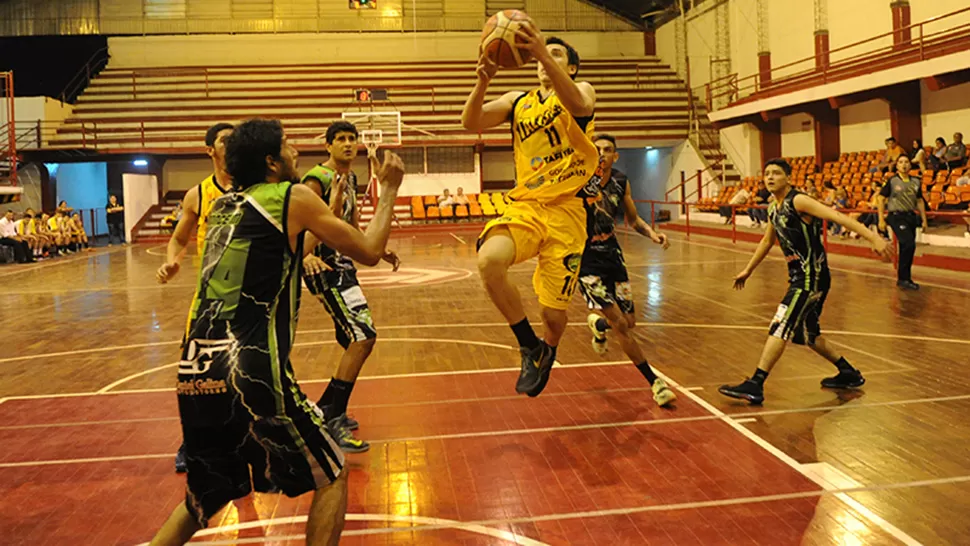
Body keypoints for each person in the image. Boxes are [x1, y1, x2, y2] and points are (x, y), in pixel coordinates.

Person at [149, 118, 406, 546]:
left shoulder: (223, 206)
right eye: (287, 146)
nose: (295, 151)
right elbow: (370, 252)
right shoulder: (291, 197)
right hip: (250, 367)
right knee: (332, 472)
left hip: (195, 365)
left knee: (203, 500)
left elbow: (291, 247)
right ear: (271, 162)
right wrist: (390, 190)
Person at [461, 23, 599, 396]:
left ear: (571, 68)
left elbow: (582, 106)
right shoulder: (517, 101)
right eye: (543, 55)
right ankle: (528, 345)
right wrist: (483, 81)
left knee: (553, 316)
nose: (545, 60)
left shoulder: (580, 90)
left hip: (568, 213)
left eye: (556, 54)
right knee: (489, 261)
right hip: (527, 205)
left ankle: (548, 348)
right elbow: (470, 121)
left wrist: (539, 49)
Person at [718, 158, 892, 405]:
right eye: (767, 173)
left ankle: (756, 384)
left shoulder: (798, 201)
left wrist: (873, 237)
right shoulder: (772, 208)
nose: (770, 177)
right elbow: (767, 241)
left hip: (812, 277)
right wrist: (748, 270)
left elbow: (837, 217)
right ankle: (848, 373)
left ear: (787, 178)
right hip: (801, 277)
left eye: (776, 173)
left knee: (781, 324)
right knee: (809, 335)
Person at [299, 120, 400, 454]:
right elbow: (300, 222)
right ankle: (332, 415)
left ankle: (326, 409)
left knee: (352, 338)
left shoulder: (351, 177)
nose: (347, 143)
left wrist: (375, 247)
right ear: (327, 145)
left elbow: (350, 222)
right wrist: (303, 257)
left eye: (351, 138)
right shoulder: (317, 178)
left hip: (343, 263)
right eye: (340, 139)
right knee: (362, 336)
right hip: (323, 266)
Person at [156, 122, 235, 474]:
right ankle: (193, 441)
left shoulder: (257, 188)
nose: (231, 145)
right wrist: (172, 262)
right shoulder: (197, 195)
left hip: (250, 297)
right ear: (210, 151)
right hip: (209, 297)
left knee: (253, 372)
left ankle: (253, 437)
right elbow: (179, 238)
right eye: (224, 141)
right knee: (195, 376)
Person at [579, 134, 676, 407]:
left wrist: (652, 234)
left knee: (629, 321)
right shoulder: (580, 180)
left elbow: (632, 220)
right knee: (620, 324)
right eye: (597, 149)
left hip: (612, 255)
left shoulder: (621, 181)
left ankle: (598, 325)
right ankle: (655, 383)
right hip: (585, 259)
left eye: (607, 150)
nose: (602, 154)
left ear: (615, 155)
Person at [877, 154, 928, 290]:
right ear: (897, 165)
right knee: (908, 243)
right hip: (896, 216)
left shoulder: (916, 181)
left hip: (910, 216)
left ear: (910, 165)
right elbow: (881, 198)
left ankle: (905, 278)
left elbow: (919, 201)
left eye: (906, 162)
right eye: (901, 162)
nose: (904, 164)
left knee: (909, 247)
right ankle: (903, 278)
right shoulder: (892, 181)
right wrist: (881, 218)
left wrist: (924, 220)